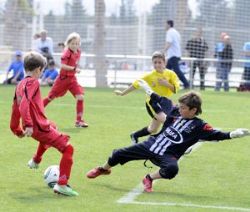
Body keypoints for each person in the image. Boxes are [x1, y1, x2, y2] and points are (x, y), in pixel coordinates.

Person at [86, 80, 250, 193]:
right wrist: (146, 88)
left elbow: (216, 135)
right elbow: (159, 99)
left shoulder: (199, 125)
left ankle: (149, 178)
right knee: (118, 153)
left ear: (193, 110)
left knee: (172, 169)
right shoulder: (174, 111)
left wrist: (233, 134)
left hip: (168, 155)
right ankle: (103, 169)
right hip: (152, 144)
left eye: (184, 108)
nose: (180, 109)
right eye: (180, 106)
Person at [9, 51, 78, 196]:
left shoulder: (20, 84)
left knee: (53, 126)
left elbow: (15, 107)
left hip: (38, 128)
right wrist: (28, 124)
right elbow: (24, 104)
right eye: (42, 70)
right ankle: (62, 185)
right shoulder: (32, 82)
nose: (42, 73)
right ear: (38, 70)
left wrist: (16, 129)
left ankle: (36, 160)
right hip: (38, 127)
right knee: (68, 149)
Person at [114, 51, 179, 144]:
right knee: (169, 122)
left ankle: (135, 135)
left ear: (165, 62)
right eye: (155, 62)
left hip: (166, 102)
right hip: (153, 103)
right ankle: (171, 145)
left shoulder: (171, 74)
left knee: (152, 129)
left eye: (159, 62)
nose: (157, 64)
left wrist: (166, 84)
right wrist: (122, 93)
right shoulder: (149, 76)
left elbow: (175, 89)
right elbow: (136, 84)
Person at [43, 32, 88, 127]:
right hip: (62, 80)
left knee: (80, 97)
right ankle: (36, 110)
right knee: (50, 97)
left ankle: (79, 121)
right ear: (69, 43)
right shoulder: (66, 53)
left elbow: (74, 63)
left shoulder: (78, 52)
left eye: (76, 43)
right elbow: (63, 66)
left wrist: (76, 67)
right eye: (72, 43)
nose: (75, 45)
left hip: (72, 79)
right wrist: (74, 68)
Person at [164, 20, 189, 89]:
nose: (164, 26)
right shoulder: (176, 32)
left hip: (173, 55)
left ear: (169, 25)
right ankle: (164, 84)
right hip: (176, 54)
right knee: (166, 70)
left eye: (165, 24)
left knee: (176, 71)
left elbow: (169, 43)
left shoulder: (169, 32)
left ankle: (186, 84)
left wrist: (163, 51)